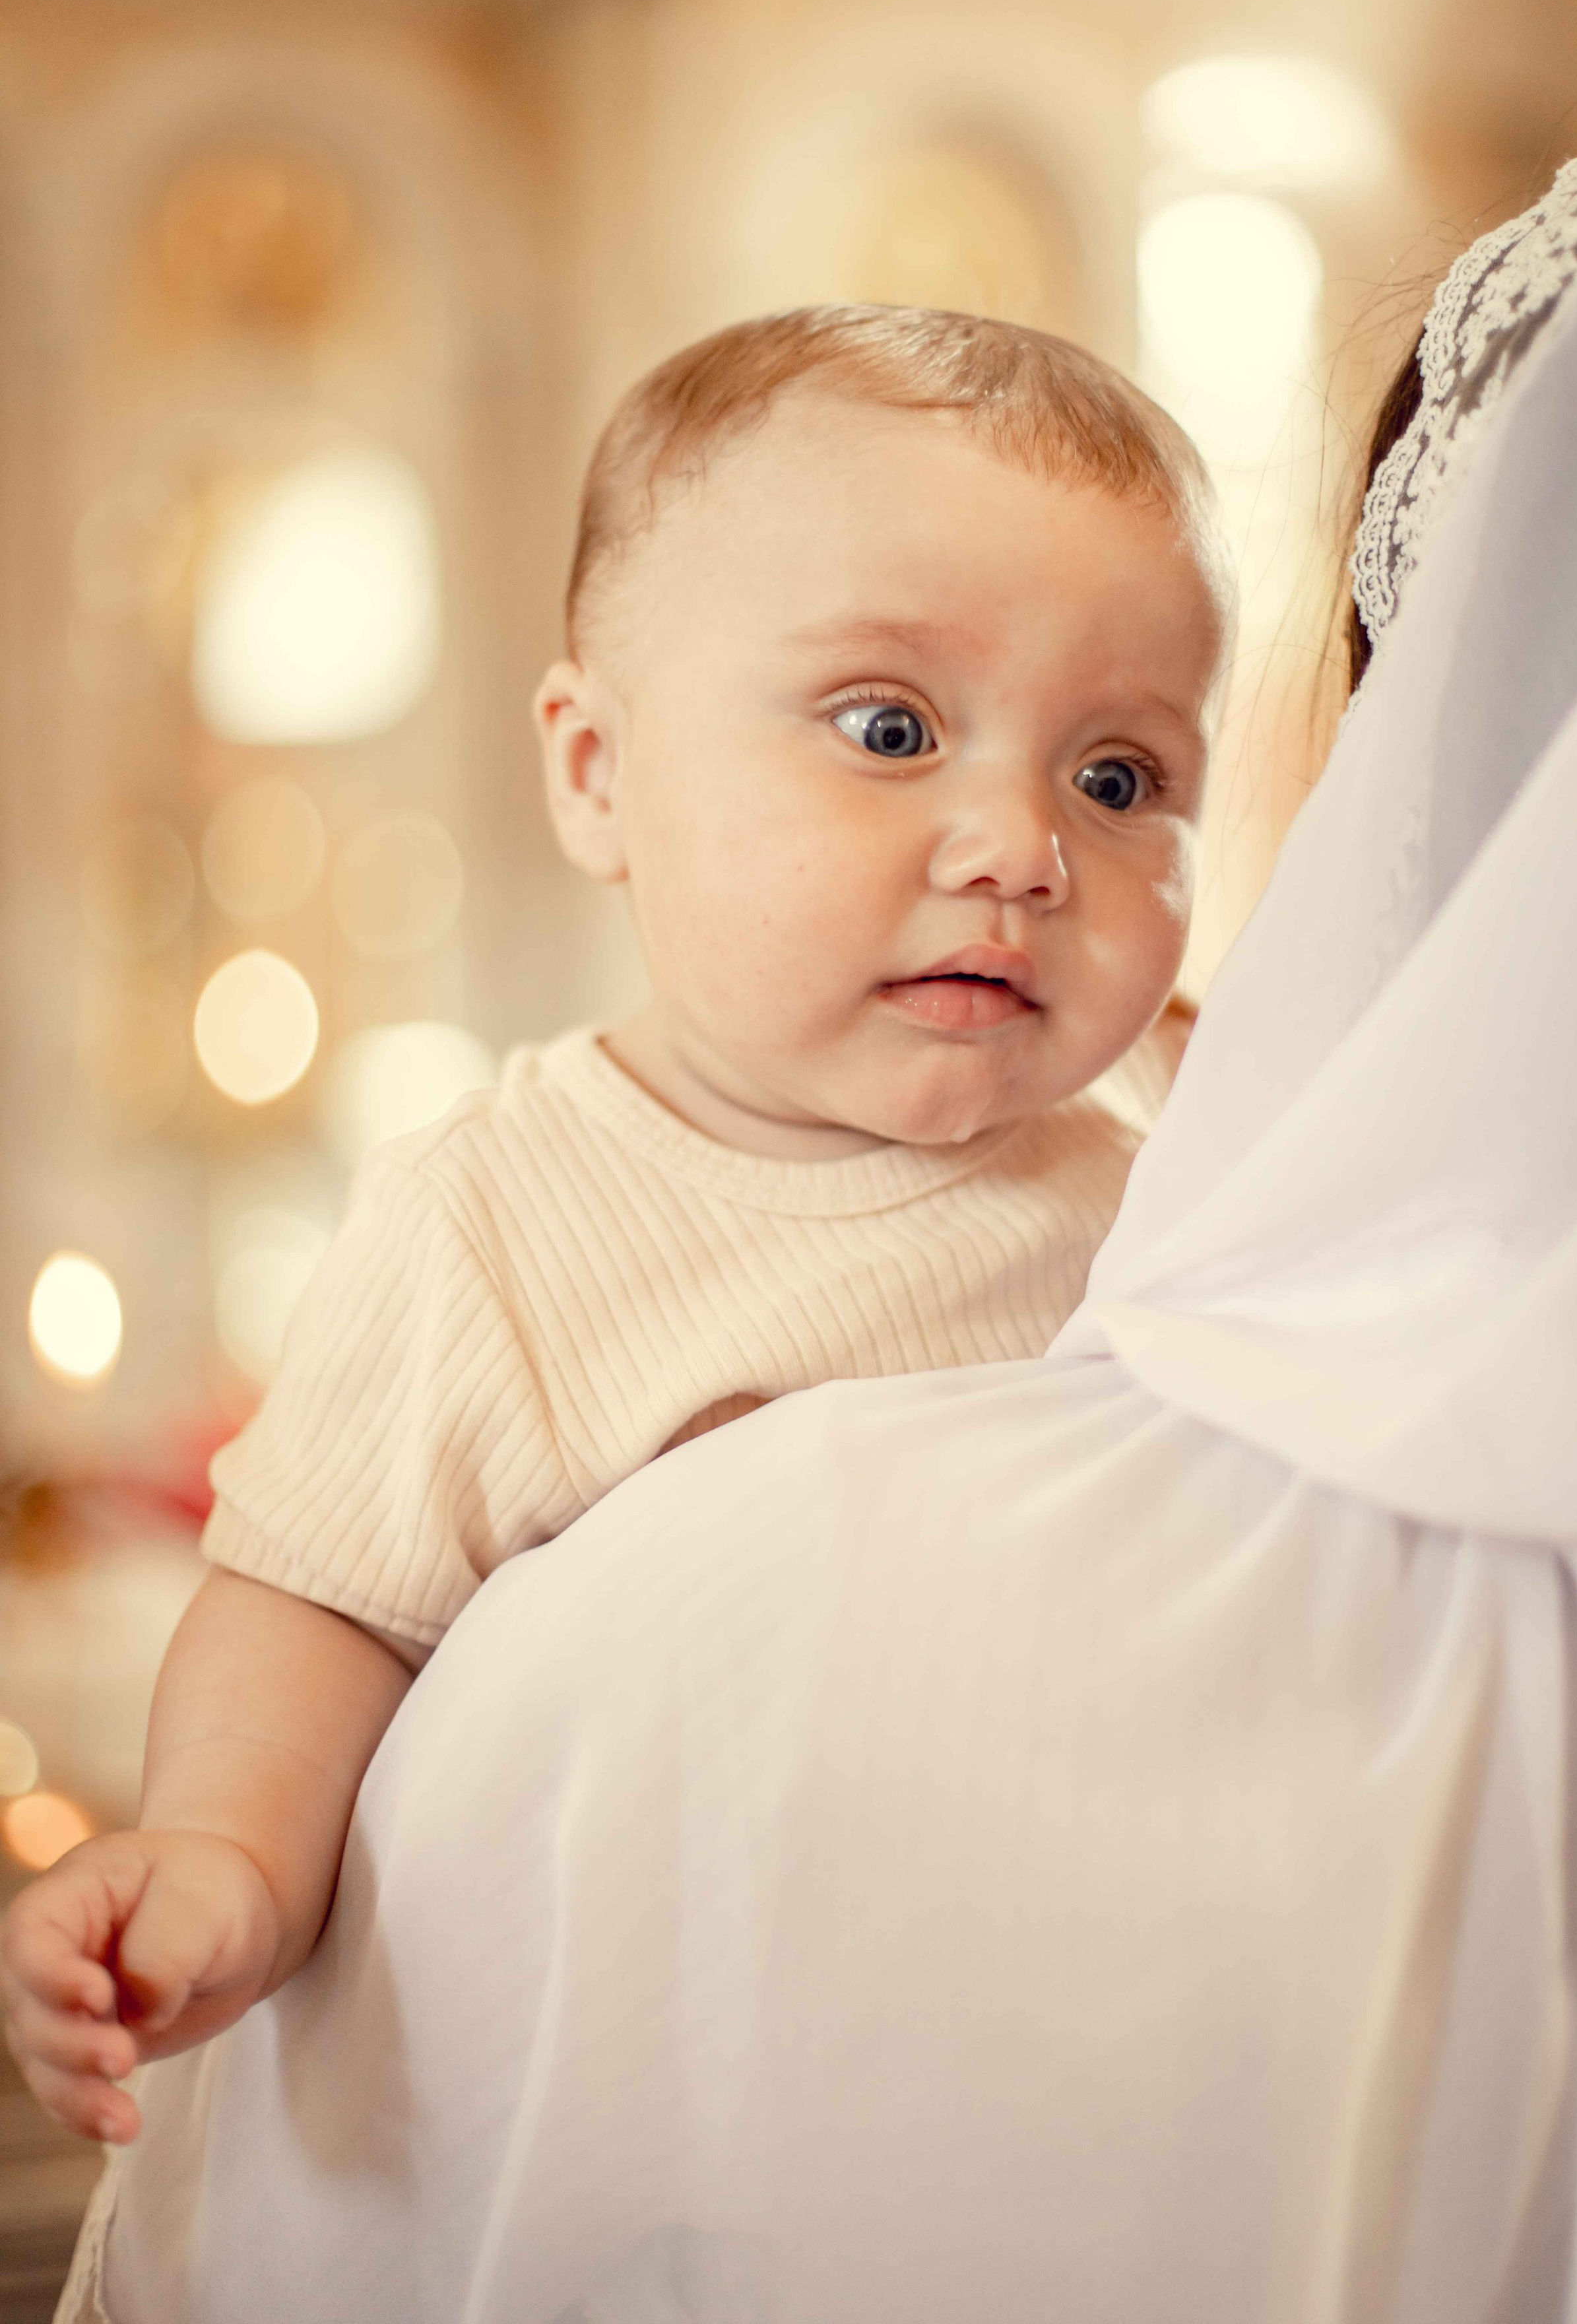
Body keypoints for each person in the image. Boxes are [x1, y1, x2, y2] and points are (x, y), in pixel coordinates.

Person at [0, 307, 1233, 2153]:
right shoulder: (498, 1220)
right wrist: (225, 1857)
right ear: (595, 773)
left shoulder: (1172, 1137)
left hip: (1078, 2010)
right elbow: (316, 1607)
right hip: (689, 2063)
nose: (1020, 847)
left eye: (1118, 778)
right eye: (891, 729)